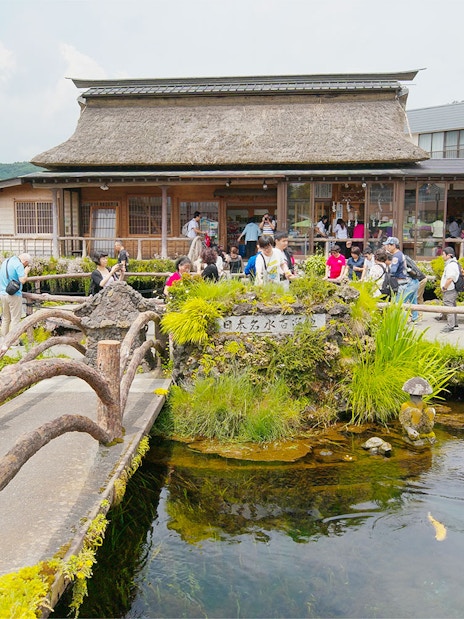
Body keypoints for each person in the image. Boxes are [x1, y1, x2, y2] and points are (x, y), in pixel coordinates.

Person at [0, 253, 32, 338]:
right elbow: (22, 280)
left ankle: (4, 340)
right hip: (14, 295)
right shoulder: (18, 265)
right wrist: (26, 272)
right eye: (27, 264)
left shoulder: (5, 261)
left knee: (6, 318)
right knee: (15, 319)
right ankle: (13, 341)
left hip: (3, 293)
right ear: (25, 261)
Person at [438, 247, 460, 333]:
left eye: (443, 254)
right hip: (451, 289)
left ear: (449, 255)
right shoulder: (452, 264)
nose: (442, 256)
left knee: (449, 307)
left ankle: (450, 325)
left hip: (450, 289)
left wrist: (444, 288)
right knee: (452, 306)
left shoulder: (451, 265)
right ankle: (454, 324)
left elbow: (450, 279)